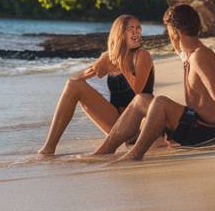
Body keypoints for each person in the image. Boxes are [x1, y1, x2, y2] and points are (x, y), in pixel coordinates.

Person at [86, 3, 215, 163]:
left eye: (169, 30)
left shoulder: (200, 56)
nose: (168, 36)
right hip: (193, 121)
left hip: (205, 130)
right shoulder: (190, 55)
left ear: (176, 32)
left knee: (161, 102)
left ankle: (135, 154)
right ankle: (104, 151)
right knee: (141, 99)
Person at [38, 14, 154, 155]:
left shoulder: (142, 55)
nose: (136, 32)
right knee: (73, 85)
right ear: (120, 34)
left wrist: (120, 60)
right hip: (117, 124)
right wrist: (101, 62)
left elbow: (138, 91)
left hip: (139, 126)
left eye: (138, 28)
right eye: (131, 28)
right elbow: (77, 79)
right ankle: (49, 147)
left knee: (75, 84)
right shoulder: (110, 58)